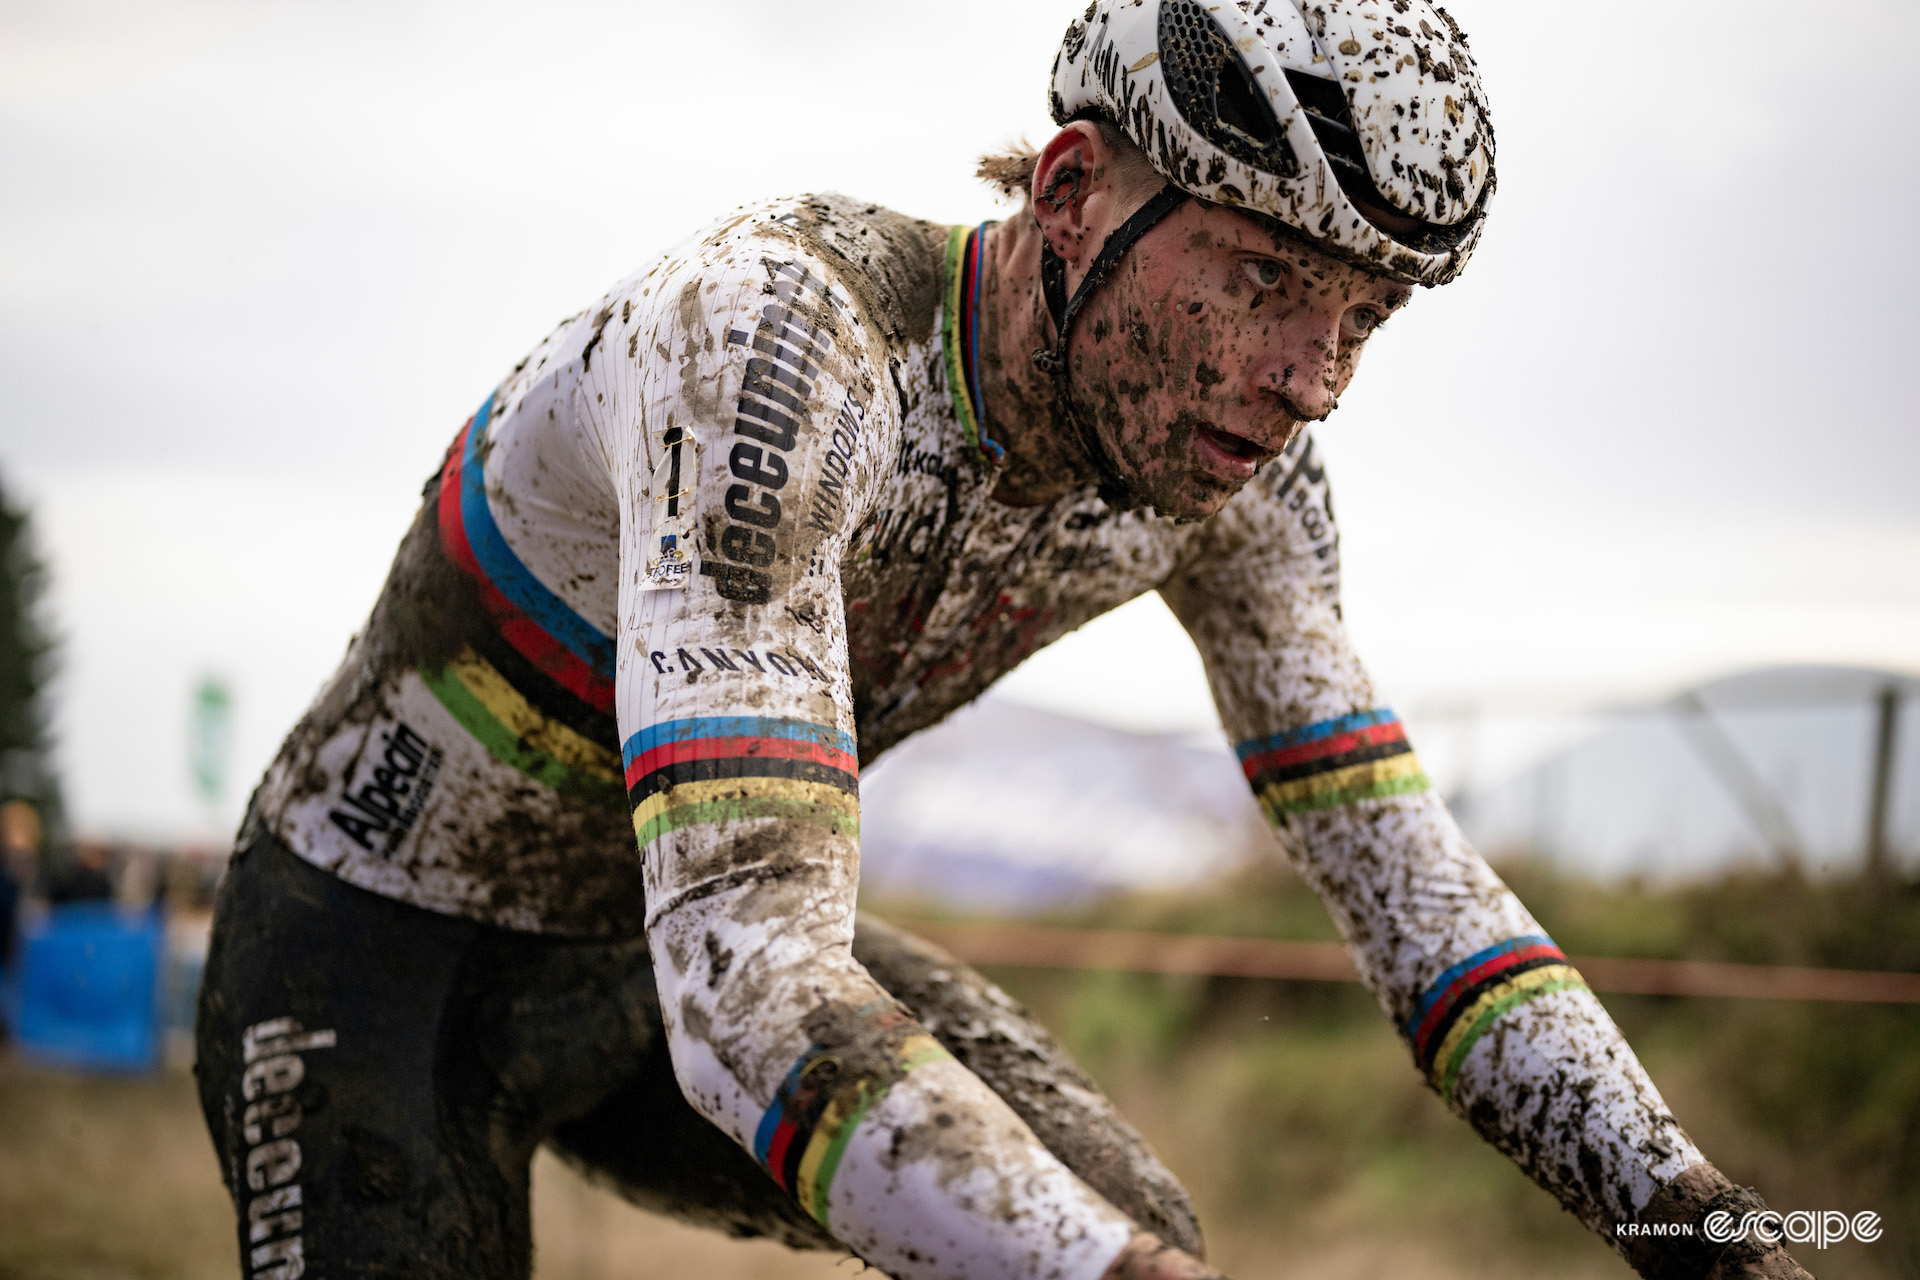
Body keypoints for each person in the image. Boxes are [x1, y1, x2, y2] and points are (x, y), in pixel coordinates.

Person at [195, 3, 1812, 1278]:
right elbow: (748, 987)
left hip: (634, 956)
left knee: (1127, 1217)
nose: (1312, 377)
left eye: (1365, 316)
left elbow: (1415, 897)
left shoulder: (1240, 477)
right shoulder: (775, 344)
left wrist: (1704, 1232)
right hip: (370, 947)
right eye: (1265, 277)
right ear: (1068, 192)